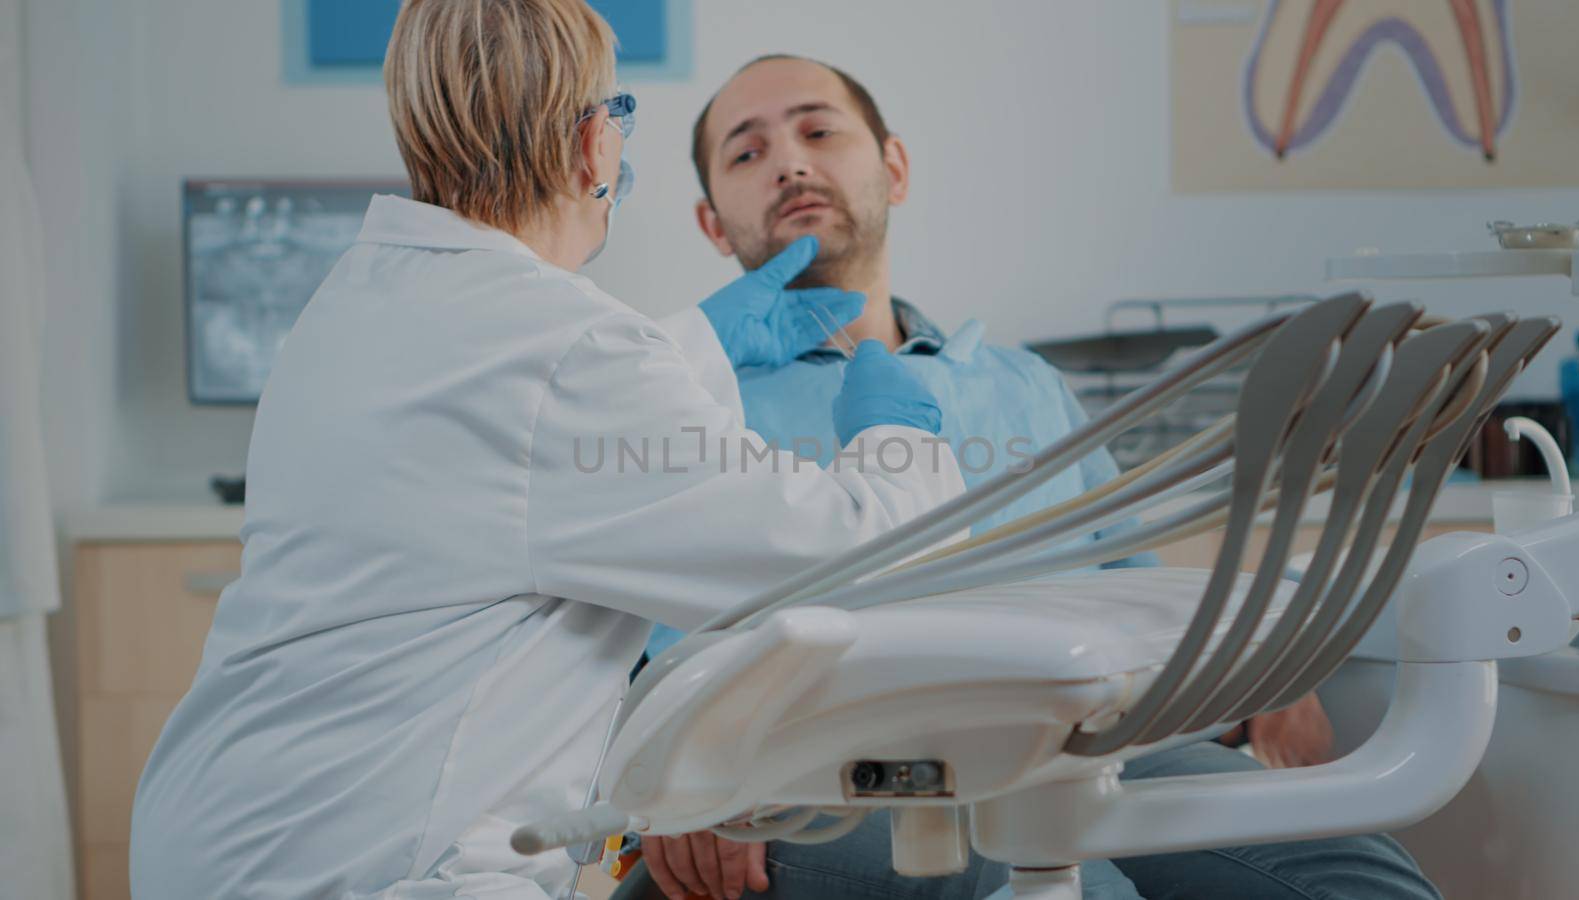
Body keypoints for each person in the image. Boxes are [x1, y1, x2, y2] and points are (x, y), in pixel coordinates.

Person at [127, 6, 967, 898]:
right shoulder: (566, 352)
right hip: (371, 868)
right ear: (594, 143)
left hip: (228, 830)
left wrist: (698, 342)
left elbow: (512, 454)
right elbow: (855, 556)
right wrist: (898, 437)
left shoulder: (358, 304)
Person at [620, 55, 1438, 900]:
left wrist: (1256, 676)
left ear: (893, 168)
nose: (791, 161)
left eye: (820, 130)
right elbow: (657, 659)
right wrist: (687, 784)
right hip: (836, 774)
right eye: (747, 154)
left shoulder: (1024, 386)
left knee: (1355, 875)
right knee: (1079, 887)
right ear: (714, 223)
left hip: (1089, 743)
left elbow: (1132, 595)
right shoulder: (684, 404)